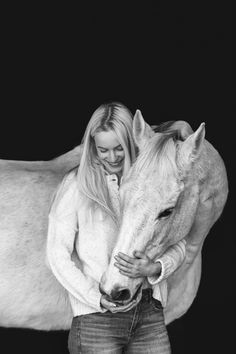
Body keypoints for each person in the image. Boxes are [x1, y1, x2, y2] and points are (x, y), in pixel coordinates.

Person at [46, 102, 186, 353]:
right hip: (97, 319)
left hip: (148, 314)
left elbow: (178, 241)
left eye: (119, 148)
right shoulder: (77, 185)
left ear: (131, 142)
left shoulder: (152, 183)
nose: (112, 158)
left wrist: (156, 267)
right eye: (103, 150)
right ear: (93, 147)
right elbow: (56, 254)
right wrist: (94, 299)